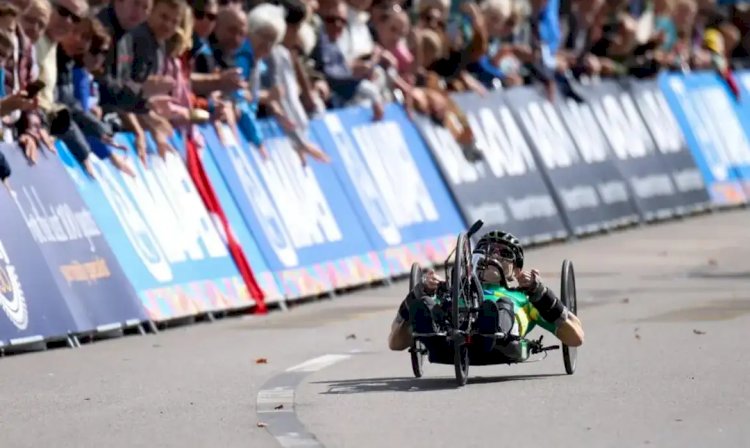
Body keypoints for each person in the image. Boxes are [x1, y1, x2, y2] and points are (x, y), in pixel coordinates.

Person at [388, 230, 584, 358]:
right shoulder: (452, 292)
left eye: (503, 253)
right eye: (486, 250)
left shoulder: (526, 299)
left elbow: (576, 337)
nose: (493, 256)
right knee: (427, 304)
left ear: (516, 271)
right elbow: (395, 343)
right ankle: (433, 335)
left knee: (502, 305)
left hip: (502, 335)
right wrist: (419, 292)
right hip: (448, 336)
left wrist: (541, 293)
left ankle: (491, 327)